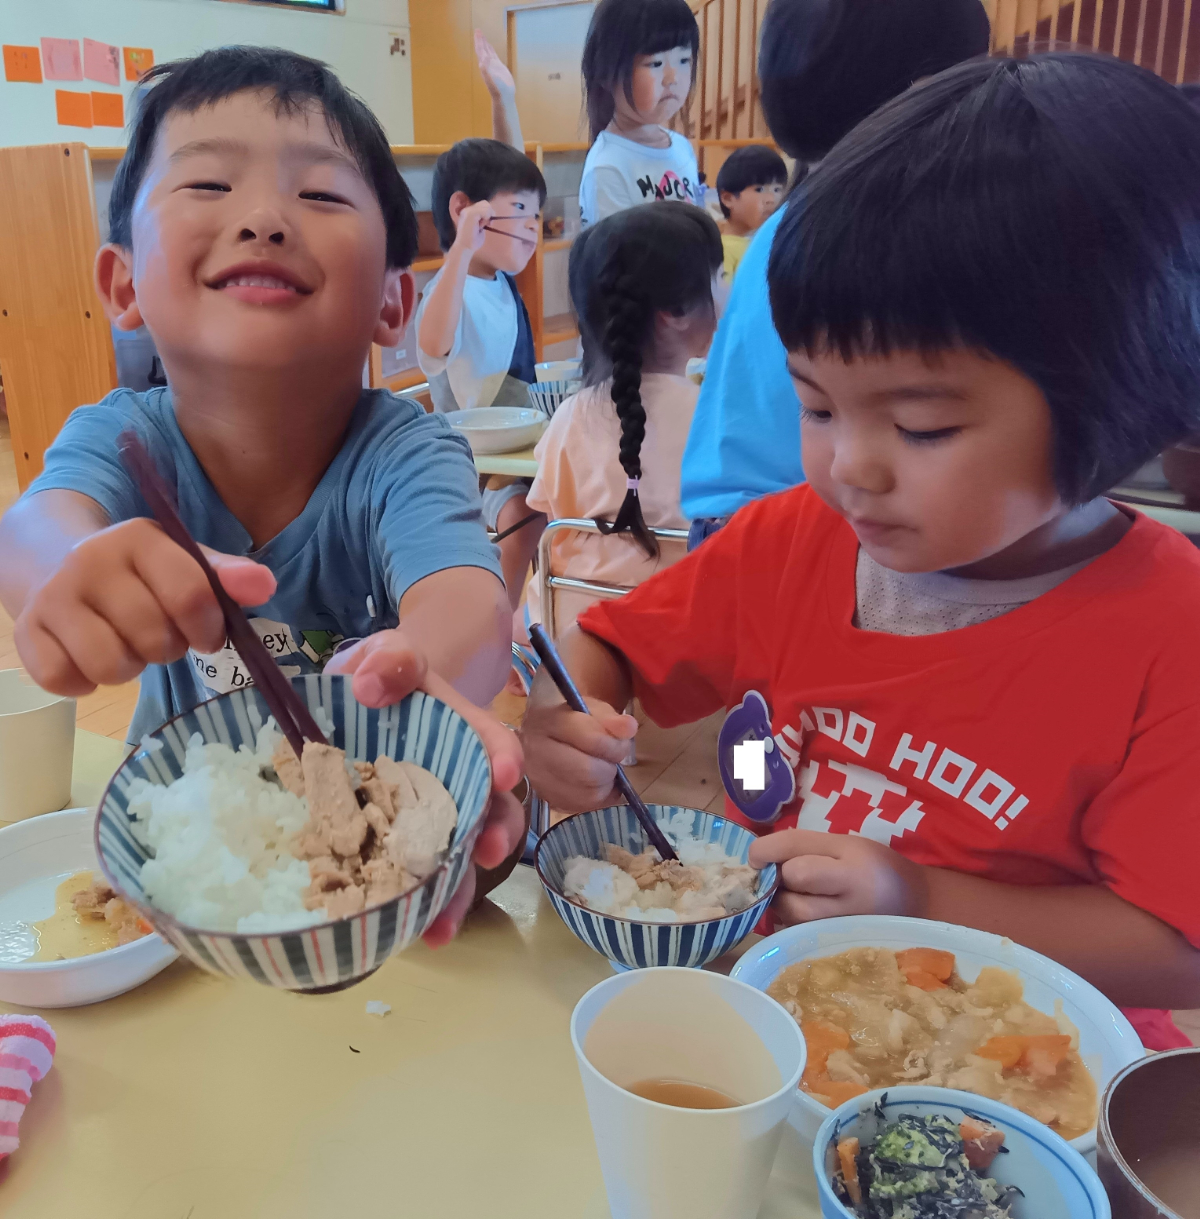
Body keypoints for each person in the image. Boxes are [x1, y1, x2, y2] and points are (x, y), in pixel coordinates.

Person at [520, 53, 1200, 1013]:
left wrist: (917, 901)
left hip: (1015, 1066)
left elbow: (1177, 945)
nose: (851, 467)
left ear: (1123, 401)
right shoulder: (794, 538)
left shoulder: (1171, 630)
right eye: (819, 407)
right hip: (782, 1022)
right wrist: (570, 722)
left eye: (921, 427)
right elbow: (602, 644)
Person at [0, 47, 524, 939]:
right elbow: (35, 526)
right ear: (123, 284)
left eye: (319, 196)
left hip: (363, 839)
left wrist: (422, 667)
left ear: (395, 303)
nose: (265, 219)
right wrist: (70, 572)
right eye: (206, 185)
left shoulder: (406, 450)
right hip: (183, 860)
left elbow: (466, 598)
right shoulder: (123, 437)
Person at [680, 0, 991, 547]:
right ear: (920, 89)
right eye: (967, 82)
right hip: (788, 524)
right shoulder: (871, 229)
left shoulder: (797, 218)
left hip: (742, 519)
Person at [519, 202, 724, 649]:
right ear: (676, 311)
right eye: (718, 276)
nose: (726, 289)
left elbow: (555, 520)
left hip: (575, 635)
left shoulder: (572, 414)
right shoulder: (717, 415)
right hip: (682, 644)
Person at [416, 138, 547, 611]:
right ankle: (501, 626)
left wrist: (503, 98)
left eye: (536, 213)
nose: (532, 227)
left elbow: (505, 159)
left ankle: (541, 617)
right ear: (466, 212)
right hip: (478, 464)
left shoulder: (499, 279)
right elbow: (432, 348)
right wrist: (460, 251)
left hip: (523, 449)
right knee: (526, 517)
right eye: (521, 211)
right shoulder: (452, 289)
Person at [578, 0, 701, 226]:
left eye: (684, 60)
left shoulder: (682, 148)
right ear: (605, 74)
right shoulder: (608, 166)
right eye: (655, 64)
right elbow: (616, 257)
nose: (672, 78)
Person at [714, 144, 788, 281]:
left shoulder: (774, 242)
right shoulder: (723, 250)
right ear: (728, 199)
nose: (771, 199)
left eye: (777, 190)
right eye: (759, 190)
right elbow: (725, 299)